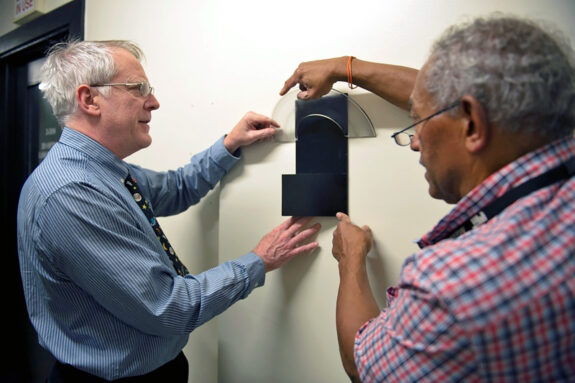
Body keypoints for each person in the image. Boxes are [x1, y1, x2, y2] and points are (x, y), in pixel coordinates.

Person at [280, 14, 575, 382]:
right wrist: (344, 68)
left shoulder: (455, 284)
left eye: (418, 121)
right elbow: (454, 99)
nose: (415, 140)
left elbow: (364, 364)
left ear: (470, 123)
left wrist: (351, 261)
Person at [17, 40, 321, 382]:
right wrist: (259, 260)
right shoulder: (73, 193)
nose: (154, 102)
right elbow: (168, 307)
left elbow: (177, 189)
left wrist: (229, 145)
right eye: (139, 89)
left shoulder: (101, 170)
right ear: (90, 100)